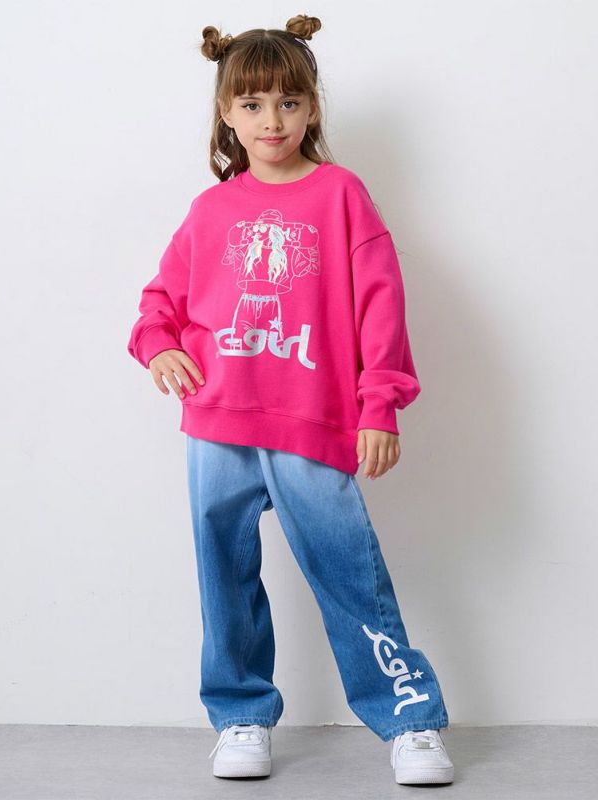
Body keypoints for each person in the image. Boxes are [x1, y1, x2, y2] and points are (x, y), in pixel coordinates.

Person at [126, 13, 455, 787]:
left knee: (348, 571)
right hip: (218, 419)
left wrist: (380, 404)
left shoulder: (342, 195)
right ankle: (241, 716)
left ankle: (409, 718)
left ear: (311, 108)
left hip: (312, 419)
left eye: (288, 102)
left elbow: (381, 306)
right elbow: (159, 300)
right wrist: (159, 344)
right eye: (251, 104)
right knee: (224, 571)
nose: (270, 120)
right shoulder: (211, 211)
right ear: (226, 114)